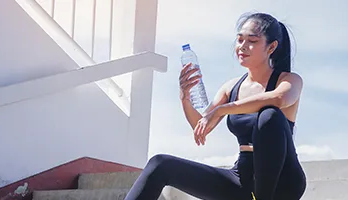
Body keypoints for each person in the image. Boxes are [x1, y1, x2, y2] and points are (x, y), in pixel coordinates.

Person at [123, 12, 306, 200]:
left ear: (272, 47)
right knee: (160, 164)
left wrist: (223, 109)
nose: (242, 46)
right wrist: (185, 98)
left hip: (282, 181)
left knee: (269, 115)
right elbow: (200, 126)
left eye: (252, 41)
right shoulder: (231, 87)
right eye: (239, 40)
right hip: (242, 178)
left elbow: (278, 99)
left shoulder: (288, 80)